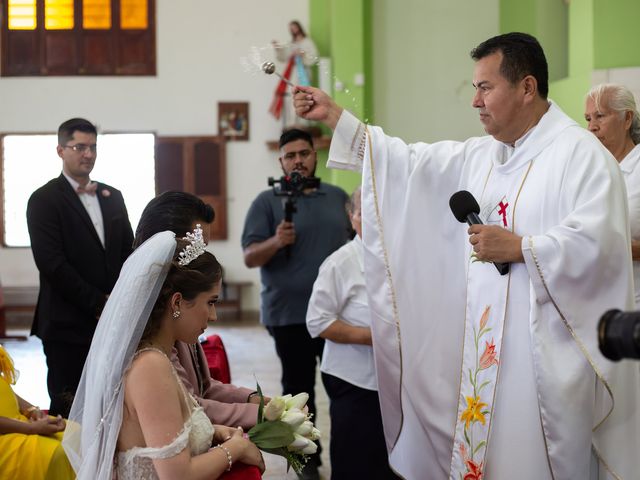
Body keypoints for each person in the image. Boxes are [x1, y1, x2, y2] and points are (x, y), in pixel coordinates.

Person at [294, 32, 640, 479]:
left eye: (485, 87)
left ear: (527, 87)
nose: (475, 101)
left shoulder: (580, 156)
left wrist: (522, 247)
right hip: (484, 357)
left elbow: (602, 245)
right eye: (474, 88)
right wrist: (339, 120)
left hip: (543, 366)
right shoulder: (484, 155)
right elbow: (410, 165)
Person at [63, 228, 265, 479]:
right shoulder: (150, 366)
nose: (213, 316)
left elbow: (155, 432)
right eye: (210, 302)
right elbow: (177, 476)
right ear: (177, 302)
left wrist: (213, 430)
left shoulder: (154, 355)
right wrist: (236, 448)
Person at [241, 128, 351, 479]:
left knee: (343, 390)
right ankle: (306, 463)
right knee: (298, 394)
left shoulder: (338, 198)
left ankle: (348, 459)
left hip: (339, 315)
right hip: (289, 315)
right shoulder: (266, 202)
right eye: (290, 155)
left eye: (304, 153)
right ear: (281, 161)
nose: (298, 160)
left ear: (315, 154)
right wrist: (275, 241)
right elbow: (249, 257)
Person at [26, 117, 134, 417]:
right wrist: (99, 302)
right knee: (68, 406)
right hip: (66, 323)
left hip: (113, 321)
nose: (88, 154)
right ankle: (68, 465)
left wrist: (122, 298)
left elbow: (127, 251)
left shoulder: (113, 197)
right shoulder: (44, 200)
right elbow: (52, 264)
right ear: (61, 150)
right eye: (79, 147)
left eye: (93, 147)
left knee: (111, 402)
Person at [134, 191, 267, 429]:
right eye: (196, 246)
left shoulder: (182, 308)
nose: (200, 256)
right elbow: (188, 406)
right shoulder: (151, 325)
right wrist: (262, 416)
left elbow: (204, 386)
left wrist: (258, 401)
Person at [306, 187, 398, 480]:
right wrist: (375, 337)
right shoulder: (340, 263)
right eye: (364, 209)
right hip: (354, 380)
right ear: (353, 217)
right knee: (356, 460)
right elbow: (317, 322)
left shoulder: (402, 257)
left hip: (397, 380)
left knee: (392, 460)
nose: (373, 216)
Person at [585, 84, 640, 303]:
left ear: (627, 119)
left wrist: (609, 248)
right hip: (598, 301)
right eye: (588, 118)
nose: (592, 127)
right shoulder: (591, 170)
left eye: (600, 116)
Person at [0, 344, 75, 479]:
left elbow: (4, 387)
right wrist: (30, 428)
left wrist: (32, 411)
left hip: (16, 420)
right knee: (56, 453)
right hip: (5, 432)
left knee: (74, 433)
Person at [270, 20, 318, 127]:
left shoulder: (307, 42)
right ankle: (291, 123)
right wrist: (277, 48)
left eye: (294, 27)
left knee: (303, 96)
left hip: (303, 73)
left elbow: (314, 56)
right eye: (291, 28)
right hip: (293, 73)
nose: (293, 30)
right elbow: (283, 57)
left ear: (299, 27)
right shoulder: (291, 44)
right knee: (290, 96)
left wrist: (303, 53)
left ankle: (303, 123)